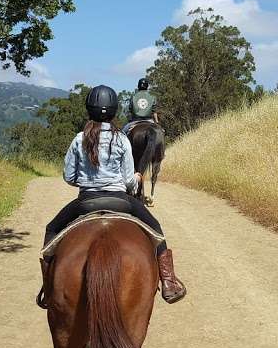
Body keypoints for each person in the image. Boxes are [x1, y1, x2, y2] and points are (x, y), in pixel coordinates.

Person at [38, 85, 186, 307]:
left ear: (89, 110)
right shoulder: (121, 139)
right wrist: (136, 177)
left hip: (85, 202)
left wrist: (88, 181)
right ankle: (168, 282)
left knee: (51, 229)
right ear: (115, 110)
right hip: (121, 201)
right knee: (156, 230)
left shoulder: (79, 139)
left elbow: (69, 176)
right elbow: (128, 181)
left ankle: (49, 289)